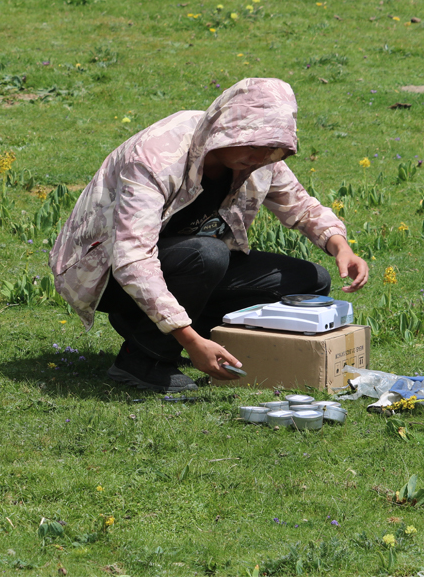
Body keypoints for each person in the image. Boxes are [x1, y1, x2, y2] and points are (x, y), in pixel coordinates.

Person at [49, 78, 369, 393]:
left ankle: (220, 346)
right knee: (208, 255)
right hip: (108, 275)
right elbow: (131, 258)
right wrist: (189, 339)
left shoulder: (260, 158)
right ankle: (143, 359)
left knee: (310, 281)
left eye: (271, 151)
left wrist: (340, 246)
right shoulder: (156, 156)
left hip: (188, 266)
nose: (259, 158)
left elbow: (300, 205)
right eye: (252, 146)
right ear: (227, 127)